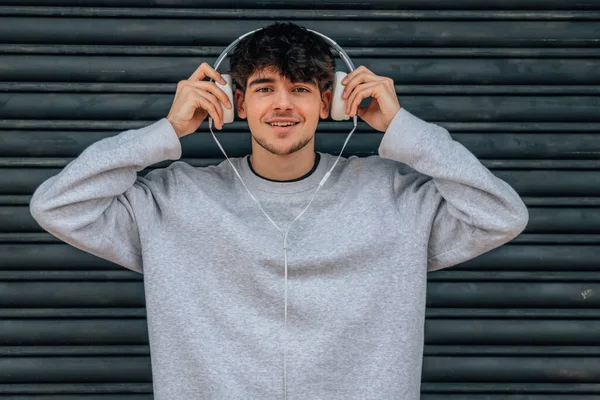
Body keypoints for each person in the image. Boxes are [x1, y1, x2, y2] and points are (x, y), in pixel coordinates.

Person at [29, 22, 529, 400]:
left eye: (302, 89)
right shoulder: (173, 200)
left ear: (331, 102)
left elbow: (502, 214)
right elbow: (57, 204)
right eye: (266, 88)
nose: (283, 105)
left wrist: (403, 127)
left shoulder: (394, 196)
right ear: (236, 102)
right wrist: (167, 131)